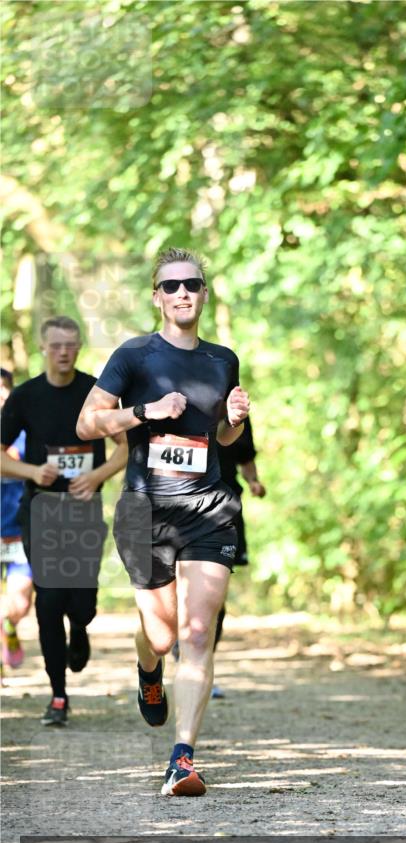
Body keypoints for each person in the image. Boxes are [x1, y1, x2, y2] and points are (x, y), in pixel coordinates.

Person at [76, 247, 250, 797]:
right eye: (171, 285)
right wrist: (144, 413)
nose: (182, 293)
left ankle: (182, 759)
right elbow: (87, 423)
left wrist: (234, 421)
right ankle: (148, 669)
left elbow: (220, 438)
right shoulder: (133, 356)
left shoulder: (224, 360)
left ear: (204, 293)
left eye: (192, 284)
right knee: (162, 633)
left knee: (198, 633)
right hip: (145, 508)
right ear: (156, 296)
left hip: (208, 507)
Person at [0, 317, 128, 724]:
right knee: (50, 601)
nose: (63, 352)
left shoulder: (98, 394)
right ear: (43, 347)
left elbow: (127, 448)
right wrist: (32, 473)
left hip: (84, 512)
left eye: (71, 344)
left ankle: (82, 625)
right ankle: (58, 696)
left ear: (79, 346)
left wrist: (97, 476)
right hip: (41, 511)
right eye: (56, 345)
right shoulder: (25, 397)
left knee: (82, 602)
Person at [173, 416, 266, 661]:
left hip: (223, 509)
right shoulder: (173, 402)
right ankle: (177, 636)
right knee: (177, 582)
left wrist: (254, 481)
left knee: (215, 593)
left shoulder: (235, 411)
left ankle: (202, 657)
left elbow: (246, 457)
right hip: (177, 507)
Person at [1, 368, 33, 669]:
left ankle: (8, 626)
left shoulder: (25, 432)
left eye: (3, 390)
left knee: (21, 604)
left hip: (18, 530)